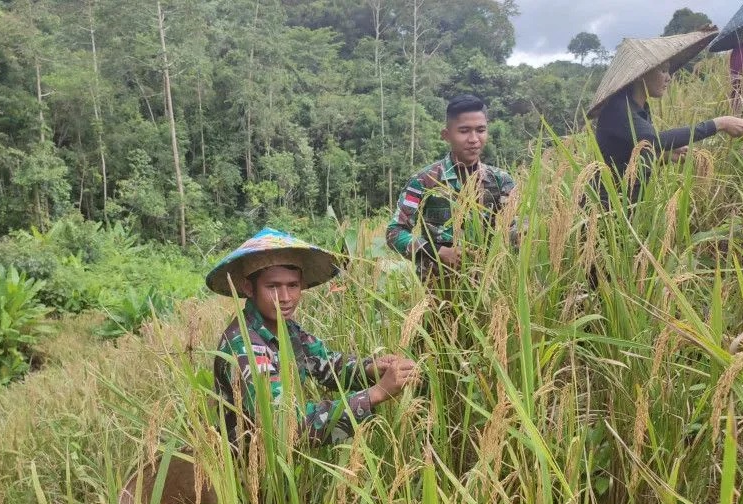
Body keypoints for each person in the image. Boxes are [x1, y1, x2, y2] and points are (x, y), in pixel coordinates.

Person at [208, 228, 418, 447]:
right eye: (273, 287)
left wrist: (370, 368)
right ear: (249, 288)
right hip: (243, 469)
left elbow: (328, 363)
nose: (286, 298)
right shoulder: (243, 346)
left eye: (293, 285)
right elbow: (285, 426)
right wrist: (376, 393)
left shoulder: (288, 330)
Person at [589, 30, 743, 208]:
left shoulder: (640, 109)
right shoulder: (619, 108)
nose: (668, 77)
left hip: (628, 208)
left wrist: (665, 156)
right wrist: (720, 123)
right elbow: (654, 140)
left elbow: (630, 157)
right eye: (662, 71)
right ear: (641, 74)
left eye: (668, 71)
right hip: (604, 210)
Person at [386, 94, 515, 281]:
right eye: (464, 131)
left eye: (480, 130)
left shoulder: (501, 180)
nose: (474, 139)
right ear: (446, 135)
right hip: (438, 290)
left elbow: (514, 227)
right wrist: (437, 252)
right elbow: (394, 232)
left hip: (491, 287)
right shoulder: (424, 181)